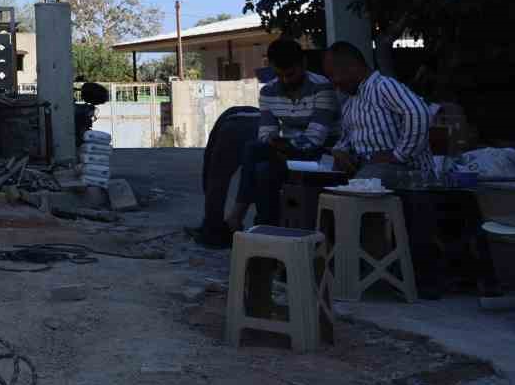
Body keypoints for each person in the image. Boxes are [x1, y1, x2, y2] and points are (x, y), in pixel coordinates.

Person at [226, 38, 340, 230]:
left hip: (323, 155)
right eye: (280, 75)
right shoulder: (269, 91)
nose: (286, 80)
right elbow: (266, 133)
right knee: (260, 166)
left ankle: (240, 215)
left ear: (303, 63)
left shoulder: (322, 88)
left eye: (291, 74)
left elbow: (316, 138)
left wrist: (284, 147)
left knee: (253, 152)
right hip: (287, 154)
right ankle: (266, 229)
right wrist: (274, 144)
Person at [324, 41, 436, 184]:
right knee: (326, 178)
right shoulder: (350, 102)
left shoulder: (383, 85)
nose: (333, 83)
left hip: (409, 172)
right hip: (370, 170)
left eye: (333, 75)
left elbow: (419, 113)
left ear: (353, 68)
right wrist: (340, 152)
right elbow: (347, 138)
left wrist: (399, 155)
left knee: (364, 182)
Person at [185, 104, 262, 248]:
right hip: (260, 125)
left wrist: (211, 215)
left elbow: (209, 172)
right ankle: (255, 228)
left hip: (233, 127)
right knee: (256, 178)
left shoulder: (225, 127)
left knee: (217, 180)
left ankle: (212, 232)